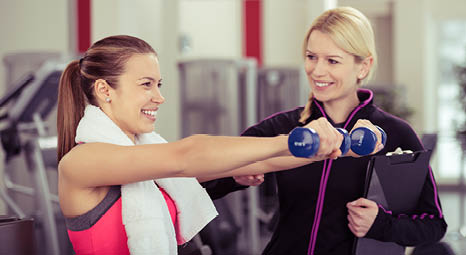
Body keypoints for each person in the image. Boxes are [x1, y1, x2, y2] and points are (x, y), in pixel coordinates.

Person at [57, 35, 378, 255]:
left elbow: (256, 164)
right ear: (104, 89)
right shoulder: (82, 161)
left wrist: (333, 149)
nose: (159, 97)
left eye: (159, 84)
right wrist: (288, 140)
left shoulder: (145, 155)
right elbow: (187, 155)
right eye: (146, 85)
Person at [226, 6, 447, 255]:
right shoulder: (283, 127)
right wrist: (236, 176)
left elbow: (434, 225)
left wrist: (382, 224)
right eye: (311, 57)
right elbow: (210, 178)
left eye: (332, 60)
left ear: (363, 67)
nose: (317, 71)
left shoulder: (396, 134)